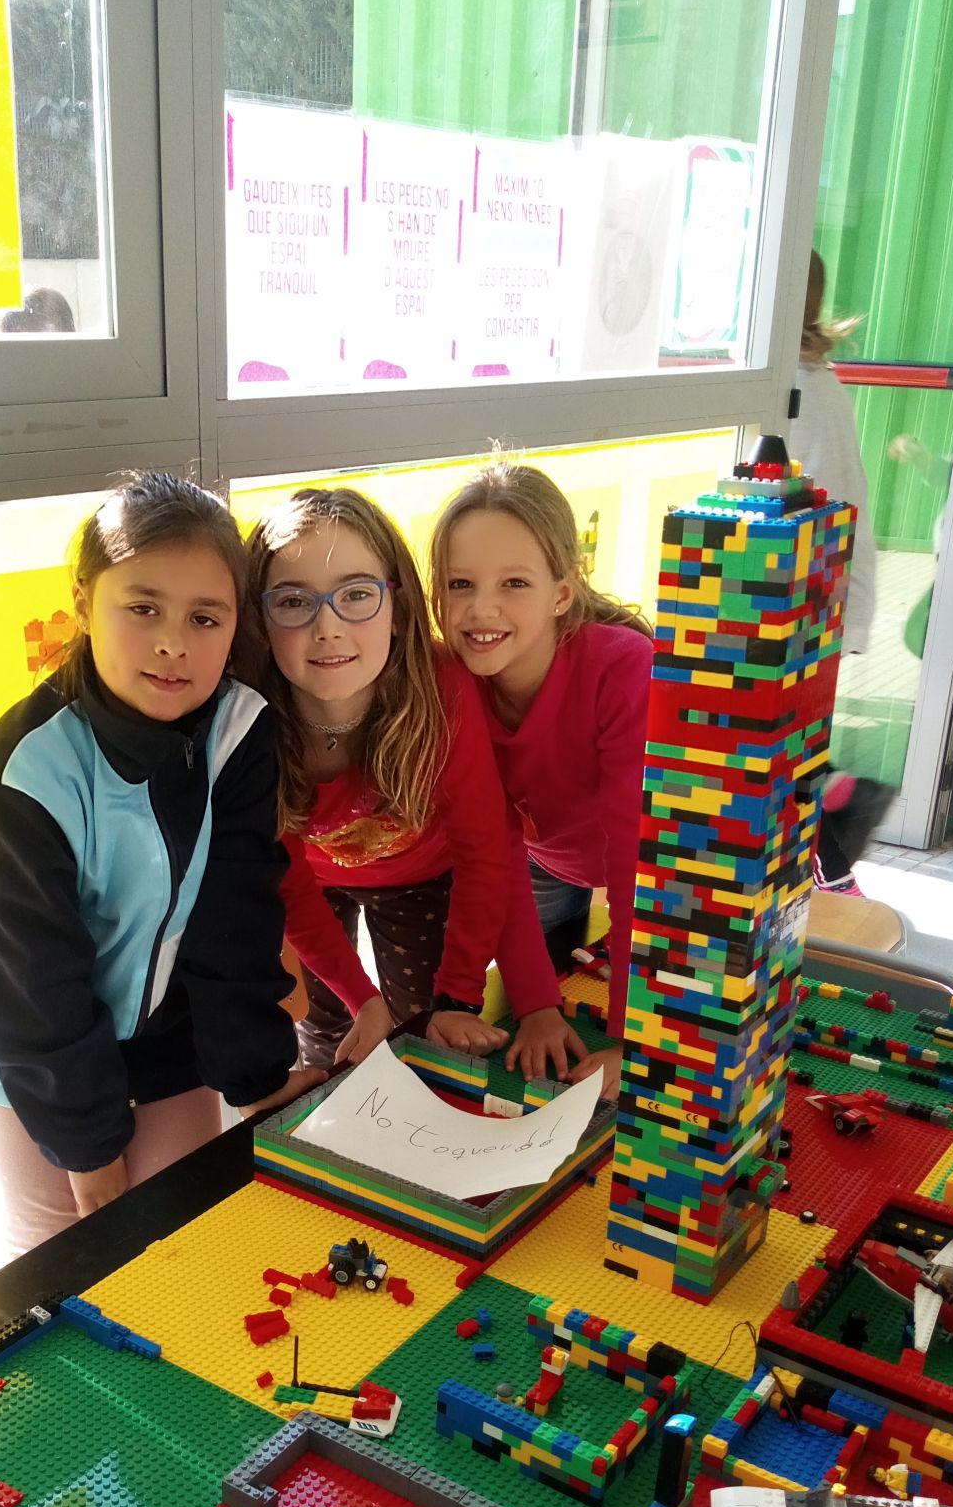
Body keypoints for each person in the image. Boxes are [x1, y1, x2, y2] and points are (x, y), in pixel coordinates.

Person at [0, 470, 316, 1255]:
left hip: (164, 1024)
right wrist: (87, 1146)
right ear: (84, 602)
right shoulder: (14, 776)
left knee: (186, 1240)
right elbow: (33, 985)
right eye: (143, 608)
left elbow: (236, 922)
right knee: (63, 1259)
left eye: (204, 618)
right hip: (29, 1046)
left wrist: (258, 1081)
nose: (174, 643)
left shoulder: (239, 733)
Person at [244, 486, 589, 1082]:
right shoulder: (251, 718)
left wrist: (457, 997)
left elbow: (485, 854)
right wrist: (361, 998)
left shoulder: (442, 691)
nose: (327, 628)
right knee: (327, 1036)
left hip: (421, 877)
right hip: (313, 889)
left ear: (398, 609)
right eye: (294, 601)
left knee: (423, 1028)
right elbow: (289, 884)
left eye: (357, 595)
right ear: (260, 619)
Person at [429, 461, 654, 1101]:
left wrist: (634, 1039)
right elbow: (493, 853)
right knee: (542, 983)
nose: (482, 609)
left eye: (515, 583)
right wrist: (535, 1006)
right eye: (460, 584)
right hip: (542, 860)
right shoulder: (450, 686)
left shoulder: (622, 668)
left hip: (643, 863)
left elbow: (635, 865)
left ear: (561, 592)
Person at [790, 248, 891, 894]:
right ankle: (837, 803)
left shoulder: (790, 390)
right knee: (794, 750)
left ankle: (834, 869)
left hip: (803, 598)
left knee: (780, 760)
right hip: (821, 595)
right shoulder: (818, 381)